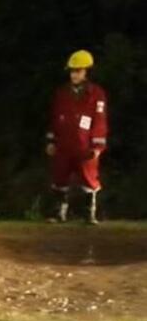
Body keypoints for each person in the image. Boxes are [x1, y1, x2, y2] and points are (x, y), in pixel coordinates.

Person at [45, 50, 108, 225]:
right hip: (64, 143)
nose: (74, 74)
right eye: (72, 71)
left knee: (89, 178)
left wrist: (97, 147)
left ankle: (90, 214)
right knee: (60, 177)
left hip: (85, 146)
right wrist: (51, 140)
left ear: (87, 72)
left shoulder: (96, 94)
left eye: (78, 71)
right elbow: (54, 118)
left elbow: (100, 121)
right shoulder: (62, 93)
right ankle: (59, 213)